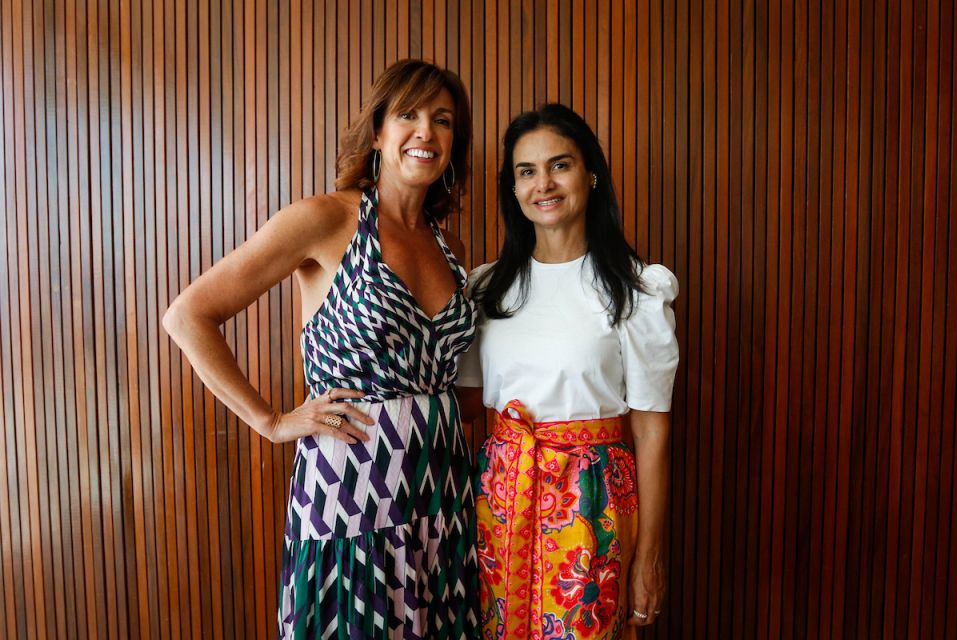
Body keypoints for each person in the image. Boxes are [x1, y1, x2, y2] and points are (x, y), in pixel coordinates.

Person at [163, 59, 479, 639]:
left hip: (442, 490)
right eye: (408, 115)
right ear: (379, 131)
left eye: (443, 120)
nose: (426, 133)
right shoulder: (324, 220)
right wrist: (273, 420)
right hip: (352, 489)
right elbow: (188, 315)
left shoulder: (451, 245)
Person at [456, 103, 679, 639]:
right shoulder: (486, 289)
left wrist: (648, 555)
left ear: (591, 174)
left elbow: (651, 429)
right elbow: (463, 412)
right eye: (526, 172)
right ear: (512, 188)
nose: (543, 184)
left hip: (592, 506)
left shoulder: (635, 291)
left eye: (560, 165)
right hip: (499, 505)